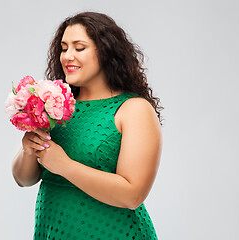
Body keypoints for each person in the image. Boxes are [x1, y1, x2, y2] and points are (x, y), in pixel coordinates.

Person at [12, 11, 163, 240]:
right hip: (54, 232)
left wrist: (64, 166)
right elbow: (24, 179)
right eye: (64, 48)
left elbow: (133, 195)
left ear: (106, 52)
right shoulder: (56, 106)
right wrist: (28, 149)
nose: (67, 56)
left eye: (79, 48)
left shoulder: (134, 109)